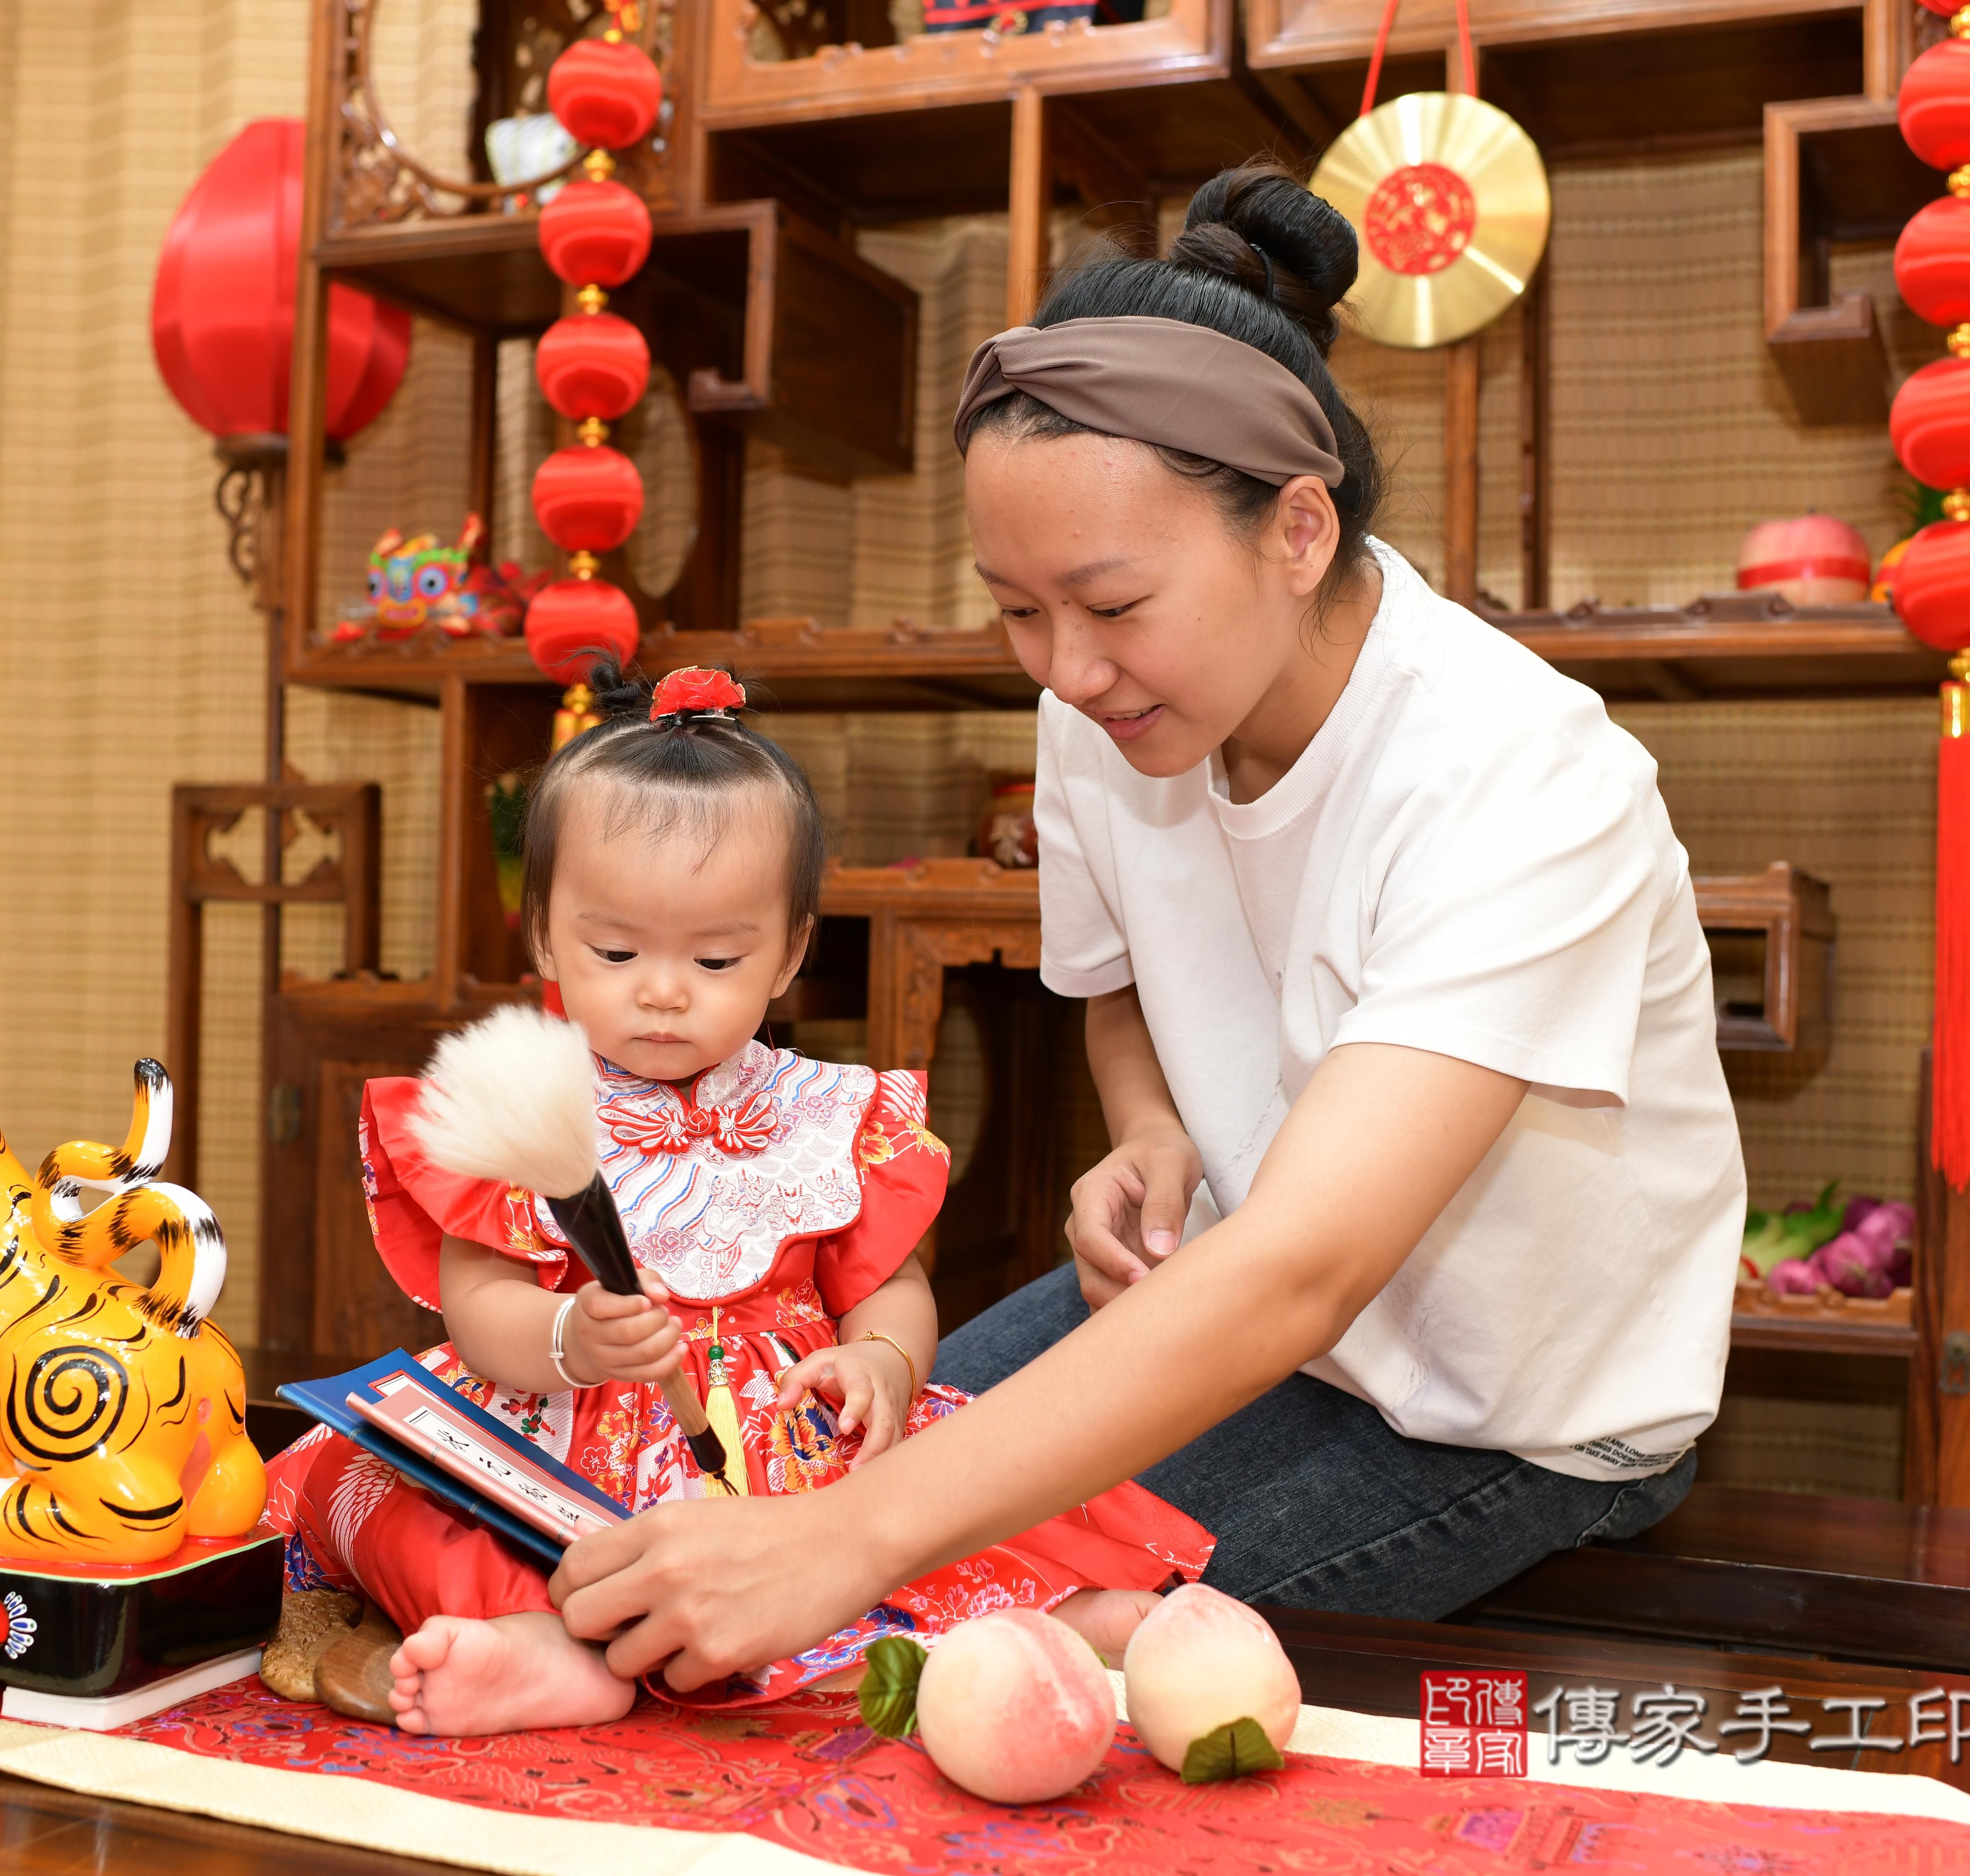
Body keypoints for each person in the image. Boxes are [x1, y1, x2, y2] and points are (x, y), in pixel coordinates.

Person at [550, 161, 1745, 1691]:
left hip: (1502, 1406)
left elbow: (1307, 1262)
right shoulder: (1108, 708)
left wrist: (851, 1549)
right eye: (1018, 609)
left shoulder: (1518, 772)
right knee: (769, 1479)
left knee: (939, 1648)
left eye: (1111, 603)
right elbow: (1117, 987)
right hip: (1234, 1290)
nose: (1066, 666)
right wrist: (1148, 1124)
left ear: (1298, 529)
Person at [262, 664, 1211, 1736]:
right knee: (383, 1490)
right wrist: (570, 1333)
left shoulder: (828, 1113)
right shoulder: (516, 1098)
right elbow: (476, 1307)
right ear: (542, 936)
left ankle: (1039, 1618)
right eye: (614, 951)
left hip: (783, 1453)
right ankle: (562, 1645)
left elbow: (890, 1287)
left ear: (792, 953)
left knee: (958, 1510)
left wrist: (884, 1363)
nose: (663, 989)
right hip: (562, 1442)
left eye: (717, 957)